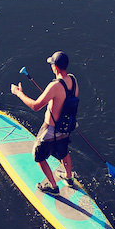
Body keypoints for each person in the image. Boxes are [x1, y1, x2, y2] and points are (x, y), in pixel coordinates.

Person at [11, 51, 79, 194]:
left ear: (55, 68)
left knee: (38, 155)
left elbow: (36, 106)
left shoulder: (54, 86)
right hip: (66, 127)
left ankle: (53, 187)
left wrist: (19, 93)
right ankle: (68, 178)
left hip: (51, 129)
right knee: (64, 152)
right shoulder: (73, 80)